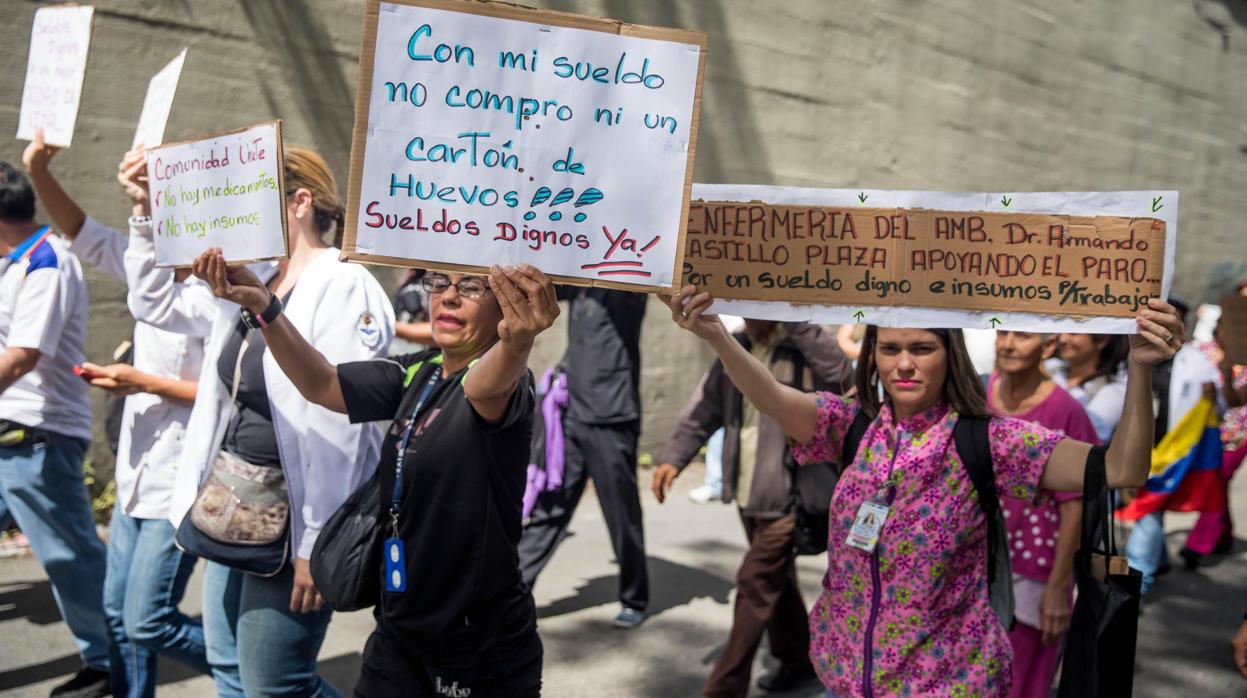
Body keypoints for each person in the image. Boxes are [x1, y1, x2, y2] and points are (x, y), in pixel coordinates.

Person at [662, 284, 1182, 697]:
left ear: (947, 353)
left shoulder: (989, 439)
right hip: (845, 677)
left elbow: (1121, 468)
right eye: (889, 349)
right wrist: (716, 335)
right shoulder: (848, 425)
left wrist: (1140, 368)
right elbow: (771, 395)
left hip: (947, 684)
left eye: (921, 348)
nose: (903, 364)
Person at [194, 256, 558, 697]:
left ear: (504, 304)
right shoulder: (417, 373)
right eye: (439, 282)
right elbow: (321, 382)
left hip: (478, 646)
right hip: (398, 631)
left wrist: (518, 344)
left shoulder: (505, 385)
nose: (448, 295)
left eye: (472, 287)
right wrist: (266, 308)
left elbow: (485, 386)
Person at [122, 145, 395, 696]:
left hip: (296, 520)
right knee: (228, 667)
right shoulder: (254, 278)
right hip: (235, 504)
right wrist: (148, 215)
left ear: (298, 201)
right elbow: (154, 305)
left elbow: (343, 425)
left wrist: (312, 545)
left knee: (276, 684)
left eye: (248, 200)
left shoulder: (344, 283)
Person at [24, 130, 211, 697]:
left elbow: (219, 395)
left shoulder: (219, 293)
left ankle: (254, 670)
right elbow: (81, 233)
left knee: (147, 621)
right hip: (136, 474)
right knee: (116, 616)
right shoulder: (147, 268)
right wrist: (39, 173)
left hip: (180, 481)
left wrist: (139, 381)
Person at [652, 320, 853, 696]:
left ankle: (724, 687)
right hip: (748, 490)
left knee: (755, 583)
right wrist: (674, 458)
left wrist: (796, 323)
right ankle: (796, 660)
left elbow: (842, 376)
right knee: (778, 580)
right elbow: (706, 405)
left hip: (790, 492)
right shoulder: (736, 343)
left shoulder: (803, 342)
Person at [0, 158, 110, 697]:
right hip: (13, 437)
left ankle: (112, 663)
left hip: (36, 440)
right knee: (75, 561)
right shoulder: (14, 262)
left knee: (73, 563)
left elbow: (21, 356)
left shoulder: (47, 261)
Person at [519, 287, 651, 628]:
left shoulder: (627, 289)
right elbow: (546, 283)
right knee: (552, 505)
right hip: (570, 410)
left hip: (611, 414)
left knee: (621, 513)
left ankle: (634, 598)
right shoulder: (579, 283)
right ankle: (510, 590)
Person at [987, 331, 1098, 698]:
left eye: (1022, 336)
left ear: (1048, 346)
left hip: (1036, 571)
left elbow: (1076, 505)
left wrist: (1057, 588)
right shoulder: (980, 394)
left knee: (1021, 683)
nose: (1008, 344)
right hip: (978, 564)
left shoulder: (1067, 410)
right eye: (1002, 332)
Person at [1126, 297, 1226, 595]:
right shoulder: (1130, 351)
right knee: (1149, 511)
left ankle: (1139, 580)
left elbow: (1218, 410)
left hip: (1173, 454)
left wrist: (1213, 395)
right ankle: (1158, 561)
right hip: (1138, 448)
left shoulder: (1197, 361)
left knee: (1150, 511)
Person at [1179, 317, 1247, 568]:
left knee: (1218, 480)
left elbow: (1236, 399)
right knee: (1218, 482)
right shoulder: (1201, 352)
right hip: (1205, 430)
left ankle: (1198, 544)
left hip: (1238, 434)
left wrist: (1227, 373)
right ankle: (1224, 535)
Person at [1049, 333, 1130, 443]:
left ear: (1101, 340)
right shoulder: (1049, 367)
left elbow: (1085, 437)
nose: (1063, 339)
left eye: (1074, 333)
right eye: (1062, 330)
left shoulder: (1113, 390)